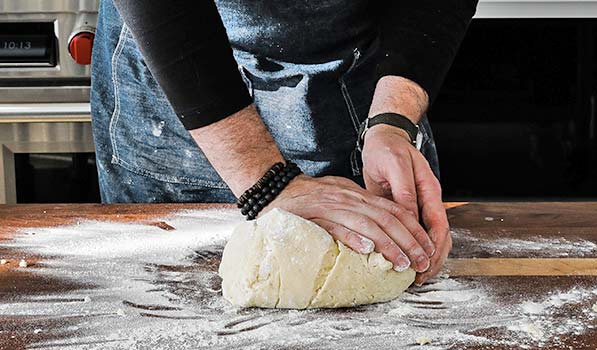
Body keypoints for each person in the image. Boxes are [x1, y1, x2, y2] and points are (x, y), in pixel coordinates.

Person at [91, 0, 478, 285]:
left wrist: (393, 120)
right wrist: (265, 181)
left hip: (370, 74)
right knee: (168, 302)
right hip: (182, 79)